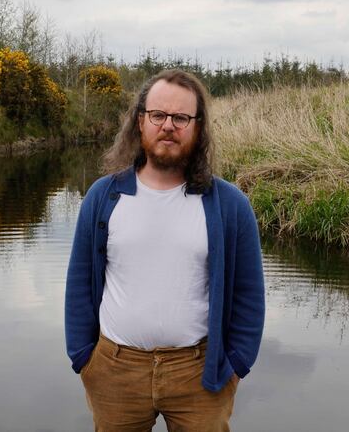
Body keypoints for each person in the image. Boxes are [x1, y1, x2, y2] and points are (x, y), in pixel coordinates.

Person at [64, 69, 265, 431]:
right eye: (158, 115)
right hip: (114, 370)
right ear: (140, 122)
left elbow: (249, 293)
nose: (168, 125)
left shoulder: (230, 206)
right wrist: (84, 358)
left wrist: (237, 363)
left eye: (180, 117)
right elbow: (79, 282)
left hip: (201, 374)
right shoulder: (103, 197)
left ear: (198, 127)